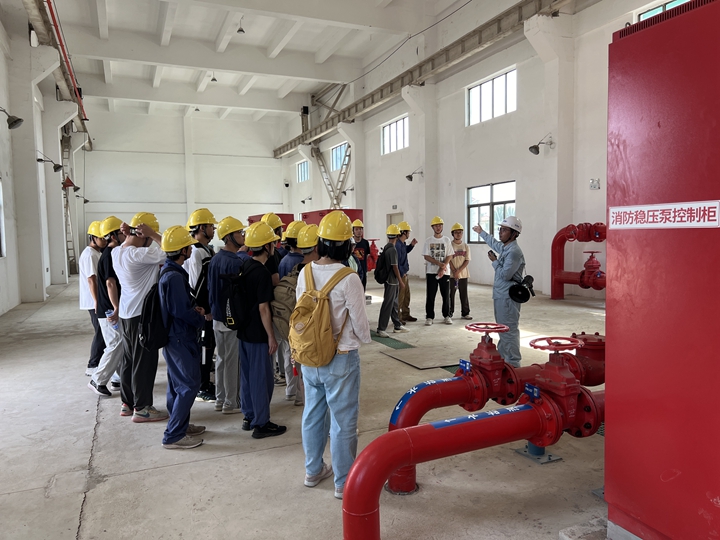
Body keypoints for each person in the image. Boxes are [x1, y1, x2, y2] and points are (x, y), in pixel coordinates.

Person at [296, 211, 371, 500]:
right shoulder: (349, 278)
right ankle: (343, 482)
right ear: (348, 246)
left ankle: (313, 471)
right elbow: (362, 328)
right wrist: (359, 338)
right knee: (343, 422)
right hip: (341, 358)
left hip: (309, 356)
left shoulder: (305, 272)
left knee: (312, 414)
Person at [112, 212, 169, 422]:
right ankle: (142, 408)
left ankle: (127, 403)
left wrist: (130, 234)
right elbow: (170, 249)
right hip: (141, 316)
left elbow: (128, 243)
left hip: (126, 315)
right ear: (143, 235)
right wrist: (153, 234)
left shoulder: (117, 252)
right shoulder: (139, 255)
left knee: (128, 360)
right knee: (144, 362)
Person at [158, 225, 210, 449]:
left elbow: (178, 307)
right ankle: (174, 435)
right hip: (180, 337)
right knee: (189, 385)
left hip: (174, 336)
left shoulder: (170, 271)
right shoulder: (174, 277)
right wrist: (199, 317)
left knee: (176, 384)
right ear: (182, 251)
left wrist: (192, 309)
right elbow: (180, 311)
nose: (191, 249)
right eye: (188, 247)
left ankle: (179, 424)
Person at [239, 221, 287, 439]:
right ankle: (261, 423)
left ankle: (249, 416)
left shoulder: (246, 266)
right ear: (267, 246)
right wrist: (271, 337)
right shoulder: (262, 273)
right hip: (258, 334)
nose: (274, 246)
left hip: (244, 331)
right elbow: (264, 308)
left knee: (248, 377)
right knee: (261, 379)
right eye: (272, 243)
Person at [472, 217, 525, 367]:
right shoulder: (507, 248)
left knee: (509, 330)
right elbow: (495, 243)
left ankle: (513, 363)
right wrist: (481, 232)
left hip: (507, 297)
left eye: (504, 230)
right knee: (503, 329)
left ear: (514, 234)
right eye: (500, 229)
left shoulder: (514, 252)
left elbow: (505, 275)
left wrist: (494, 261)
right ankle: (503, 360)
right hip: (501, 295)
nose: (500, 232)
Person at [207, 216, 245, 414]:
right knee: (232, 362)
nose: (243, 235)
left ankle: (220, 399)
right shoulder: (235, 262)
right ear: (229, 237)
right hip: (232, 319)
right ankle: (231, 402)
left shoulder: (215, 259)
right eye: (239, 232)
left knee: (221, 359)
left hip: (217, 317)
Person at [183, 208, 218, 403]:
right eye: (211, 226)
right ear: (202, 228)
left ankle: (205, 382)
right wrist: (205, 309)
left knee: (209, 348)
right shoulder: (196, 252)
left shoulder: (207, 250)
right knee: (204, 348)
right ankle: (201, 387)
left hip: (209, 308)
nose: (214, 229)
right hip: (203, 311)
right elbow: (197, 285)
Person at [88, 216, 125, 397]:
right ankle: (97, 379)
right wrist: (116, 307)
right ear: (113, 235)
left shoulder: (112, 253)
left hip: (108, 307)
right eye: (121, 233)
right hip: (108, 308)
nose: (125, 235)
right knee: (115, 343)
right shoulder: (109, 255)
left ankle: (117, 378)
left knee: (119, 343)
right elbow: (110, 283)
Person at [79, 221, 107, 377]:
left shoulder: (96, 253)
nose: (104, 241)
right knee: (100, 332)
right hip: (93, 301)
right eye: (101, 238)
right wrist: (97, 301)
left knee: (102, 331)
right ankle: (92, 364)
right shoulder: (90, 254)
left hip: (96, 300)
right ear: (93, 238)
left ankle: (100, 362)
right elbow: (91, 279)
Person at [422, 216, 454, 326]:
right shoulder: (428, 241)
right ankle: (429, 317)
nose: (438, 227)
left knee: (446, 295)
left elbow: (450, 255)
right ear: (432, 227)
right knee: (430, 295)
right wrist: (439, 264)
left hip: (445, 273)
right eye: (436, 225)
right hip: (431, 272)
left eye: (440, 225)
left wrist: (442, 267)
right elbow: (426, 256)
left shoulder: (447, 240)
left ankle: (447, 315)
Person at [376, 224, 407, 338]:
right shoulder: (392, 250)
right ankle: (381, 329)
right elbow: (395, 267)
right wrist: (400, 281)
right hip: (391, 281)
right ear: (397, 235)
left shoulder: (387, 247)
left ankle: (397, 325)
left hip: (390, 280)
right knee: (388, 304)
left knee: (394, 303)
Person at [448, 223, 472, 321]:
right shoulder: (450, 245)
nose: (458, 234)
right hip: (451, 274)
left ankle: (465, 313)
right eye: (456, 232)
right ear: (452, 234)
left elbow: (467, 260)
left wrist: (458, 271)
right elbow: (448, 259)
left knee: (464, 294)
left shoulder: (466, 246)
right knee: (450, 295)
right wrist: (454, 271)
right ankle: (449, 313)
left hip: (463, 274)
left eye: (460, 232)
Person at [396, 221, 418, 323]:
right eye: (408, 232)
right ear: (403, 232)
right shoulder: (397, 245)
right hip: (401, 275)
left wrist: (411, 245)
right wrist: (401, 274)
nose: (409, 234)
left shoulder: (402, 244)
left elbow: (405, 251)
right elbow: (397, 262)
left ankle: (405, 314)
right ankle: (398, 317)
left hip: (404, 274)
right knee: (400, 297)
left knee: (406, 296)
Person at [351, 219, 370, 290]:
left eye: (360, 229)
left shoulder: (365, 243)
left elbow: (367, 256)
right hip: (353, 271)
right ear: (353, 231)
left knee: (362, 289)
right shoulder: (350, 243)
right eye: (356, 229)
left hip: (363, 270)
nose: (359, 231)